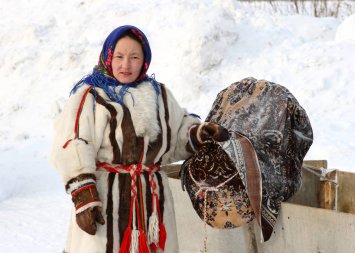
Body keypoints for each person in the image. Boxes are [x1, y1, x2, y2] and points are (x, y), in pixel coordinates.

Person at [49, 25, 228, 253]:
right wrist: (84, 196)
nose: (126, 65)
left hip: (153, 204)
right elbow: (73, 144)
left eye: (134, 57)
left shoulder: (159, 95)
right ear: (107, 57)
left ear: (144, 60)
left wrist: (200, 134)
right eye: (119, 56)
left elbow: (176, 136)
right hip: (106, 204)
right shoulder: (90, 96)